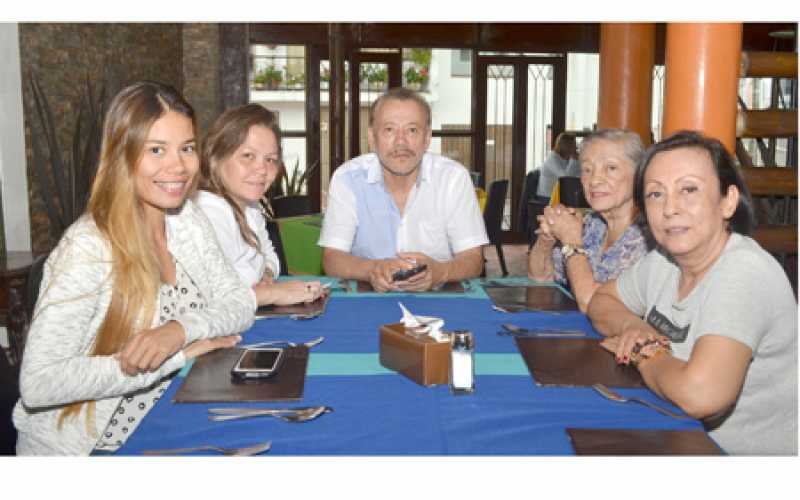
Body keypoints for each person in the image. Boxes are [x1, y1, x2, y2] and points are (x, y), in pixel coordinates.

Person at [14, 82, 257, 455]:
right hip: (99, 448)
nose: (178, 167)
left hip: (173, 414)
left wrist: (179, 331)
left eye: (187, 148)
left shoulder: (186, 220)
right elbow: (40, 382)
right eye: (156, 150)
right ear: (121, 156)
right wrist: (166, 359)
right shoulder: (88, 248)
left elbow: (239, 302)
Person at [587, 130, 797, 455]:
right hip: (675, 437)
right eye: (656, 194)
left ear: (728, 201)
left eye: (689, 189)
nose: (670, 208)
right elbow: (602, 301)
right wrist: (633, 327)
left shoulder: (745, 273)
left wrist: (647, 352)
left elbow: (700, 396)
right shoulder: (664, 261)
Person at [319, 87, 488, 292]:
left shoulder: (453, 178)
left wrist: (439, 272)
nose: (401, 141)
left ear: (427, 138)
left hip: (439, 301)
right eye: (389, 130)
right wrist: (373, 269)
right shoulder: (347, 179)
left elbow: (473, 259)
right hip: (368, 301)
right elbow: (332, 259)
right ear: (372, 138)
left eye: (412, 130)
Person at [196, 104, 324, 305]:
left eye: (270, 159)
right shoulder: (210, 212)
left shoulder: (250, 208)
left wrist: (265, 275)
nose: (262, 169)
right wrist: (271, 293)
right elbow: (212, 296)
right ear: (215, 158)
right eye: (248, 156)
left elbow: (270, 256)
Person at [527, 129, 648, 312]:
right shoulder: (591, 224)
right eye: (587, 169)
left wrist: (571, 241)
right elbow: (539, 277)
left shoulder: (650, 238)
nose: (594, 180)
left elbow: (594, 304)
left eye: (611, 168)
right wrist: (547, 239)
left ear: (639, 174)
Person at [534, 131, 579, 203]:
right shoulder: (552, 158)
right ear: (565, 146)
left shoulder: (566, 158)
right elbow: (565, 179)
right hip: (547, 197)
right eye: (573, 145)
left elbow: (578, 174)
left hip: (560, 195)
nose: (576, 148)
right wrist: (574, 160)